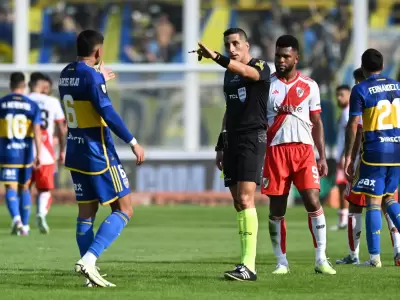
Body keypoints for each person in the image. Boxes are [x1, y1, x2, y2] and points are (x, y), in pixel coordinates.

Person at [58, 29, 145, 287]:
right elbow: (107, 111)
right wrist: (133, 142)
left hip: (74, 151)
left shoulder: (66, 74)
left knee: (86, 212)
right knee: (125, 208)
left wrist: (98, 78)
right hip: (98, 152)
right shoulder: (92, 77)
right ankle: (89, 260)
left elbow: (84, 93)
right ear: (98, 52)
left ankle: (88, 274)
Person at [195, 27, 270, 281]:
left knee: (247, 199)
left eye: (236, 43)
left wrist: (217, 57)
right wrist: (220, 142)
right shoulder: (228, 75)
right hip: (232, 141)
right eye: (228, 45)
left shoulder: (260, 65)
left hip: (252, 137)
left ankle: (249, 266)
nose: (232, 49)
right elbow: (229, 110)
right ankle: (244, 263)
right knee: (238, 202)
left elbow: (250, 73)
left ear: (247, 45)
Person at [261, 35, 336, 275]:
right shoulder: (266, 85)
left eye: (286, 56)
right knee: (277, 208)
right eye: (277, 56)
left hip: (304, 151)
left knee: (313, 201)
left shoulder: (309, 85)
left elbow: (317, 122)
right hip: (276, 151)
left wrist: (322, 156)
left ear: (296, 58)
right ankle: (281, 261)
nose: (280, 60)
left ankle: (321, 259)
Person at [336, 67, 400, 265]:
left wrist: (349, 159)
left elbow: (357, 134)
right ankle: (398, 251)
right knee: (388, 200)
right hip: (393, 153)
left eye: (357, 81)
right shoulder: (392, 90)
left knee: (360, 204)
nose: (356, 85)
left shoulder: (363, 96)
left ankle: (363, 256)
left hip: (366, 159)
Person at [0, 72, 41, 235]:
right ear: (23, 86)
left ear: (10, 86)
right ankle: (24, 226)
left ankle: (16, 219)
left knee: (10, 186)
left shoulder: (2, 103)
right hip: (26, 153)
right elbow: (37, 131)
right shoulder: (32, 105)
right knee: (24, 188)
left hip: (7, 152)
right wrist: (39, 153)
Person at [28, 72, 66, 234]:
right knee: (45, 190)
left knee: (24, 188)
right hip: (46, 153)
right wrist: (63, 149)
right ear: (44, 85)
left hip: (25, 151)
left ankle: (22, 220)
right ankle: (41, 214)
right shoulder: (52, 102)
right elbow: (62, 130)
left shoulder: (24, 99)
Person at [330, 84, 351, 231]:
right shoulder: (344, 112)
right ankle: (344, 219)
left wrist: (345, 154)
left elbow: (351, 136)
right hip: (342, 155)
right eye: (337, 95)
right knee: (342, 186)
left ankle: (344, 220)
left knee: (343, 187)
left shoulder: (348, 112)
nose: (339, 98)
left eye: (342, 94)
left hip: (345, 156)